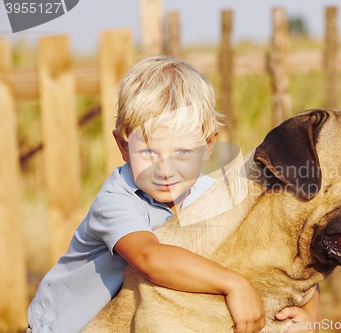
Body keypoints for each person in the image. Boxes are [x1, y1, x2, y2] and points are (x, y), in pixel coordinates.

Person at [27, 56, 320, 333]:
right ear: (123, 146)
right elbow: (150, 257)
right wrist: (234, 283)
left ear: (208, 146)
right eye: (149, 152)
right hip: (66, 325)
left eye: (182, 152)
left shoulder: (213, 197)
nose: (165, 170)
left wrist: (310, 311)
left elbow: (281, 251)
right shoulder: (117, 199)